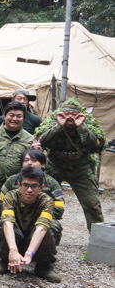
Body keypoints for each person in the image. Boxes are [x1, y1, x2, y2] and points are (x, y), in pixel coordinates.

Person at [37, 98, 107, 230]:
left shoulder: (87, 126)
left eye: (74, 114)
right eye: (66, 114)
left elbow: (97, 146)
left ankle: (98, 237)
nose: (70, 117)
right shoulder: (52, 124)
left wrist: (82, 127)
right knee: (44, 199)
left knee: (92, 204)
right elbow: (41, 141)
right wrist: (58, 126)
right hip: (54, 167)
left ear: (80, 115)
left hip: (80, 169)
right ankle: (41, 233)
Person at [0, 166, 62, 283]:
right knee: (2, 225)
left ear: (41, 188)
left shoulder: (47, 201)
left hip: (34, 234)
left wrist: (29, 254)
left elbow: (42, 228)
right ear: (19, 185)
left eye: (34, 186)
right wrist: (13, 250)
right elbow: (8, 222)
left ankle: (44, 265)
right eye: (25, 185)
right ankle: (5, 259)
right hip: (17, 233)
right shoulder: (11, 196)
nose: (29, 190)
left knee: (50, 228)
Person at [0, 102, 35, 216]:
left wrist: (35, 153)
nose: (14, 119)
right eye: (11, 115)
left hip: (15, 188)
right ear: (4, 116)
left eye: (19, 116)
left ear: (23, 118)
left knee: (10, 217)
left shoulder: (30, 140)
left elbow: (37, 165)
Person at [0, 150, 66, 227]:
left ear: (43, 164)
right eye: (26, 160)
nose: (29, 163)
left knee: (53, 226)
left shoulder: (52, 182)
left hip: (42, 218)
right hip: (15, 219)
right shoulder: (12, 180)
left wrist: (43, 216)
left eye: (34, 160)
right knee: (2, 225)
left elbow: (59, 208)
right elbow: (1, 203)